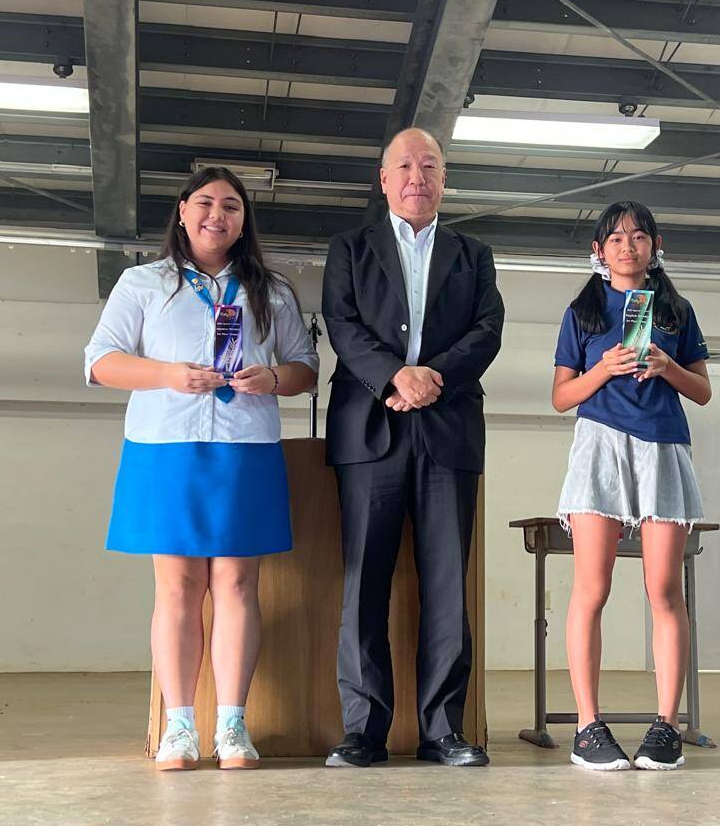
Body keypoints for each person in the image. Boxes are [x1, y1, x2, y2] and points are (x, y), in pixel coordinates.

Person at [83, 167, 318, 772]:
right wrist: (168, 374)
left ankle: (233, 726)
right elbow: (100, 362)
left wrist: (272, 377)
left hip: (244, 447)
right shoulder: (143, 282)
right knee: (177, 587)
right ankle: (180, 727)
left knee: (238, 585)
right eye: (207, 203)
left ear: (243, 221)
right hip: (166, 447)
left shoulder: (272, 290)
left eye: (232, 206)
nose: (219, 215)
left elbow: (304, 368)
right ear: (183, 212)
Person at [321, 127, 504, 768]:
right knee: (363, 583)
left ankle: (443, 730)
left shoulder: (473, 254)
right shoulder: (350, 249)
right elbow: (341, 323)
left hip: (448, 429)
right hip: (369, 429)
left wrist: (433, 379)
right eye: (404, 166)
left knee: (448, 583)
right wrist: (395, 376)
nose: (416, 177)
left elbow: (488, 328)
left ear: (444, 179)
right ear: (384, 179)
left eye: (429, 166)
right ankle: (363, 731)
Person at [551, 200, 711, 772]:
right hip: (599, 447)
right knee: (591, 589)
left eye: (639, 236)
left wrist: (668, 367)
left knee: (664, 589)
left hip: (663, 447)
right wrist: (603, 369)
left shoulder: (676, 310)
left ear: (655, 246)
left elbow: (703, 391)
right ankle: (587, 727)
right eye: (616, 238)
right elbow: (561, 396)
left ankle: (666, 726)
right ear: (598, 250)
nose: (627, 246)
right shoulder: (583, 311)